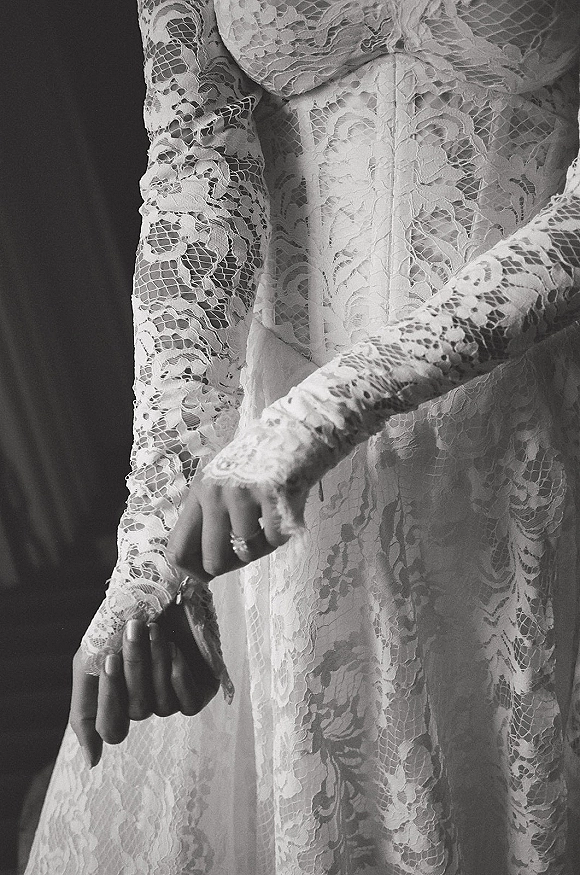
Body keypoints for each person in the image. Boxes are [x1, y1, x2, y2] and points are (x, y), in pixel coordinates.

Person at [24, 0, 580, 872]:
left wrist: (325, 411)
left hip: (530, 426)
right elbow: (196, 169)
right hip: (269, 475)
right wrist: (151, 543)